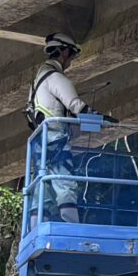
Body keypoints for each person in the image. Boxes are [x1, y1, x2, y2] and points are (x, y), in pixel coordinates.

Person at [28, 35, 91, 222]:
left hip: (40, 139)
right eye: (71, 55)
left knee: (42, 185)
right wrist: (98, 116)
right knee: (65, 181)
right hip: (56, 138)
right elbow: (76, 105)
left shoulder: (37, 81)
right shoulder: (55, 77)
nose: (70, 60)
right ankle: (71, 227)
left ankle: (37, 225)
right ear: (64, 52)